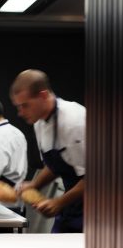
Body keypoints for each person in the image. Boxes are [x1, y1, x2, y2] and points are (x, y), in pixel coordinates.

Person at [10, 69, 85, 233]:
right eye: (18, 107)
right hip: (73, 205)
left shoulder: (75, 121)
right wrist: (34, 185)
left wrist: (59, 202)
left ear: (43, 95)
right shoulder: (39, 123)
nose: (20, 113)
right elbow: (56, 165)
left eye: (25, 105)